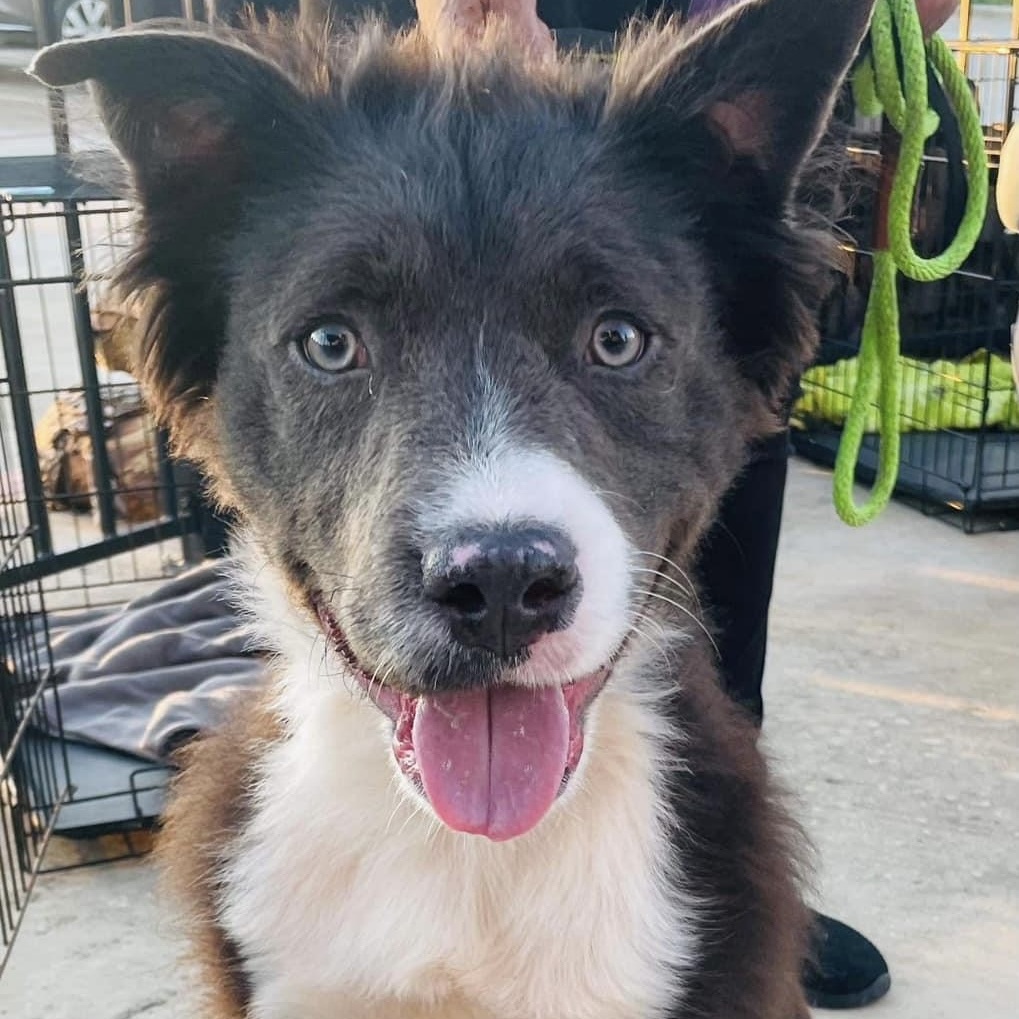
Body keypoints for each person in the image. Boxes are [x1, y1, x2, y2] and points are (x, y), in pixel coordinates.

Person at [400, 0, 961, 1008]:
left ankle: (689, 861)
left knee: (700, 594)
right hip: (518, 41)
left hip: (728, 61)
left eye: (613, 339)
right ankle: (438, 904)